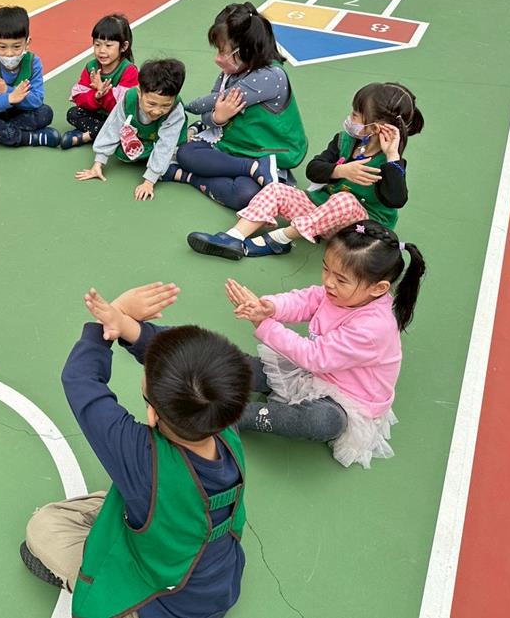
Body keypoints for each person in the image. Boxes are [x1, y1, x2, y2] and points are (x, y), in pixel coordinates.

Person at [21, 283, 250, 618]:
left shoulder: (142, 460)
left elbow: (80, 380)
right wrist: (127, 326)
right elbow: (196, 368)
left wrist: (103, 327)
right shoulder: (224, 418)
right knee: (141, 508)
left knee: (44, 528)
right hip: (215, 587)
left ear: (153, 414)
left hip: (163, 607)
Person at [225, 221, 426, 468]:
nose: (328, 282)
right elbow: (308, 300)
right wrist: (270, 307)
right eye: (325, 269)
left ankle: (238, 415)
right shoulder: (345, 293)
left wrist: (263, 323)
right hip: (315, 372)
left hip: (347, 399)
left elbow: (314, 356)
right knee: (247, 367)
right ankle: (202, 367)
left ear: (379, 288)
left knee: (322, 421)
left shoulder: (373, 328)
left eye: (340, 279)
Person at [188, 82, 422, 260]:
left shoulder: (389, 162)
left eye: (355, 115)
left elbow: (396, 199)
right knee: (277, 190)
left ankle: (279, 239)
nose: (350, 119)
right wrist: (341, 171)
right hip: (322, 215)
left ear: (376, 127)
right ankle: (234, 237)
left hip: (360, 232)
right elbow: (314, 170)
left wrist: (393, 156)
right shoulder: (345, 141)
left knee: (345, 201)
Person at [175, 2, 307, 208]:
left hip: (263, 151)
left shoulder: (271, 76)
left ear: (245, 50)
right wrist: (217, 118)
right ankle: (250, 168)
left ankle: (191, 176)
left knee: (245, 195)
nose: (217, 59)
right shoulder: (231, 72)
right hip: (234, 147)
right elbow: (211, 113)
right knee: (186, 153)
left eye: (222, 52)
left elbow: (207, 104)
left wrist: (178, 105)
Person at [76, 58, 201, 201]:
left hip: (167, 142)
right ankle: (192, 131)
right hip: (145, 139)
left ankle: (193, 131)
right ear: (139, 92)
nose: (157, 111)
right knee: (122, 153)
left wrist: (149, 181)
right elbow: (112, 127)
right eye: (151, 104)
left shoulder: (175, 110)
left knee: (175, 161)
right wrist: (98, 163)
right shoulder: (129, 98)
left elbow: (166, 145)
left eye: (165, 105)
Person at [0, 6, 60, 149]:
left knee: (45, 112)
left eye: (16, 47)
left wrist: (8, 91)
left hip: (19, 112)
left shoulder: (33, 62)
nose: (9, 53)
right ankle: (31, 138)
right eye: (3, 47)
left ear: (27, 43)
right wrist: (9, 98)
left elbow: (36, 100)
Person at [62, 14, 138, 149]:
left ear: (124, 46)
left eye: (108, 45)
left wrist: (105, 94)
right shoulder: (91, 67)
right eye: (97, 44)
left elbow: (124, 106)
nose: (102, 50)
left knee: (127, 124)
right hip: (98, 116)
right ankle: (103, 134)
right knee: (73, 113)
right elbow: (79, 98)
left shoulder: (129, 70)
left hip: (118, 117)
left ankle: (86, 136)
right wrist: (96, 96)